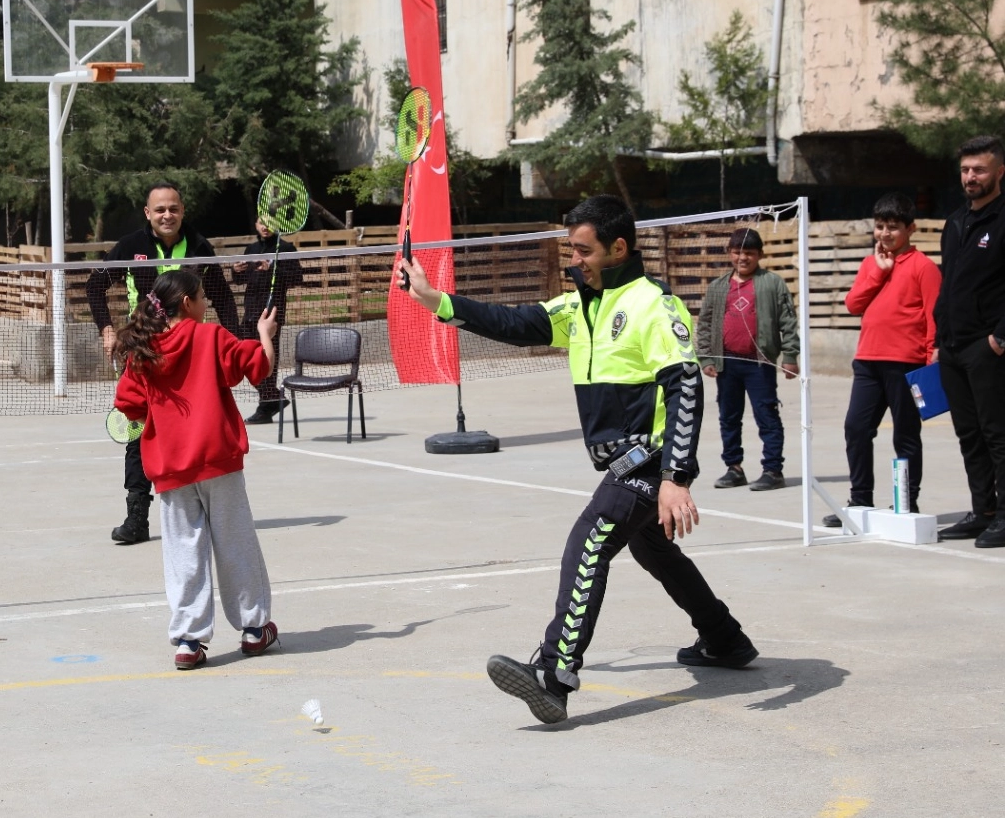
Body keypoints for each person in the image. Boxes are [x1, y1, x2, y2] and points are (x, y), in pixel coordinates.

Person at [401, 195, 756, 726]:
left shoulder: (652, 306)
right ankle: (725, 638)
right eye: (572, 249)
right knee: (653, 550)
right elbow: (513, 321)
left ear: (619, 247)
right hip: (624, 461)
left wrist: (675, 477)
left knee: (588, 542)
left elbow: (685, 387)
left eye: (584, 250)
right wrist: (435, 300)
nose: (576, 260)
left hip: (647, 459)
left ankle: (554, 675)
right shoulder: (580, 307)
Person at [113, 270, 280, 670]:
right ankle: (254, 630)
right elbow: (260, 368)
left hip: (170, 468)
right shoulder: (213, 338)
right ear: (187, 302)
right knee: (236, 543)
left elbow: (128, 405)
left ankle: (189, 641)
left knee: (183, 552)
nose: (206, 303)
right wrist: (266, 334)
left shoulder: (143, 351)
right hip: (218, 461)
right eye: (203, 296)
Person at [86, 182, 241, 546]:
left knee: (198, 429)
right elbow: (94, 287)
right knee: (137, 435)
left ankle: (203, 510)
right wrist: (107, 329)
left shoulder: (201, 247)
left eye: (173, 208)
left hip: (191, 359)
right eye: (160, 210)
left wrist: (235, 343)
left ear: (182, 211)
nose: (167, 215)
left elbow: (222, 298)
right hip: (144, 355)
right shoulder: (130, 247)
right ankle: (137, 515)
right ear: (148, 214)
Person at [829, 193, 941, 528]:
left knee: (905, 434)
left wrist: (930, 358)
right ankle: (860, 499)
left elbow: (935, 316)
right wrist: (879, 272)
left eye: (893, 227)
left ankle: (906, 503)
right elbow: (853, 305)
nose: (885, 234)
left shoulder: (924, 267)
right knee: (856, 428)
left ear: (911, 228)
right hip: (867, 361)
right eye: (880, 226)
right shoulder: (871, 263)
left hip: (906, 364)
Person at [934, 136, 1005, 548]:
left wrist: (999, 338)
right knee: (969, 434)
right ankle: (984, 511)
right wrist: (942, 336)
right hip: (954, 347)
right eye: (965, 170)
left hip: (988, 346)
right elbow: (950, 286)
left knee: (998, 433)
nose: (970, 177)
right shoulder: (956, 222)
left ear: (999, 172)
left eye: (979, 169)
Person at [696, 228, 800, 492]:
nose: (743, 258)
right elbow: (706, 324)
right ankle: (734, 468)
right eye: (738, 252)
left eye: (749, 253)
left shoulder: (772, 283)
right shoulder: (718, 287)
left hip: (760, 363)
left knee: (767, 415)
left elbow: (788, 321)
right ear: (730, 253)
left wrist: (789, 355)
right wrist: (707, 356)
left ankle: (773, 470)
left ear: (760, 255)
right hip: (726, 363)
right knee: (728, 416)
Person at [232, 214, 305, 424]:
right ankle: (272, 397)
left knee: (266, 357)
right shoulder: (251, 249)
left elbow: (296, 278)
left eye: (270, 223)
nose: (265, 227)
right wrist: (236, 271)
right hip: (250, 310)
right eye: (261, 222)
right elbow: (241, 280)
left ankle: (266, 406)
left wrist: (272, 268)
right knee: (244, 356)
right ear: (255, 224)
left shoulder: (286, 248)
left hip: (271, 312)